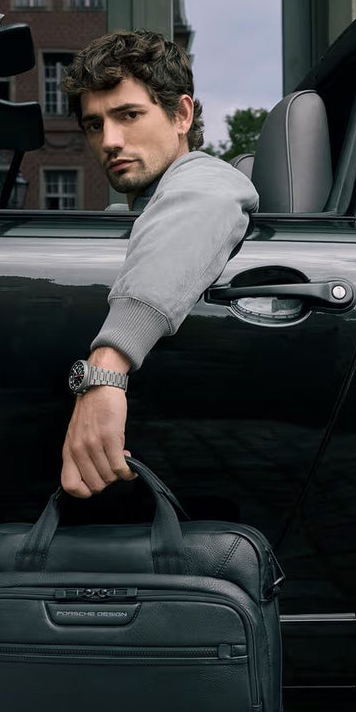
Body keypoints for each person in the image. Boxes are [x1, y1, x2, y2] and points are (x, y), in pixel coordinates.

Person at [57, 30, 259, 499]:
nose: (109, 140)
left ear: (181, 114)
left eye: (129, 115)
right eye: (93, 124)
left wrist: (105, 371)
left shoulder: (203, 179)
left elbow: (203, 204)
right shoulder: (146, 212)